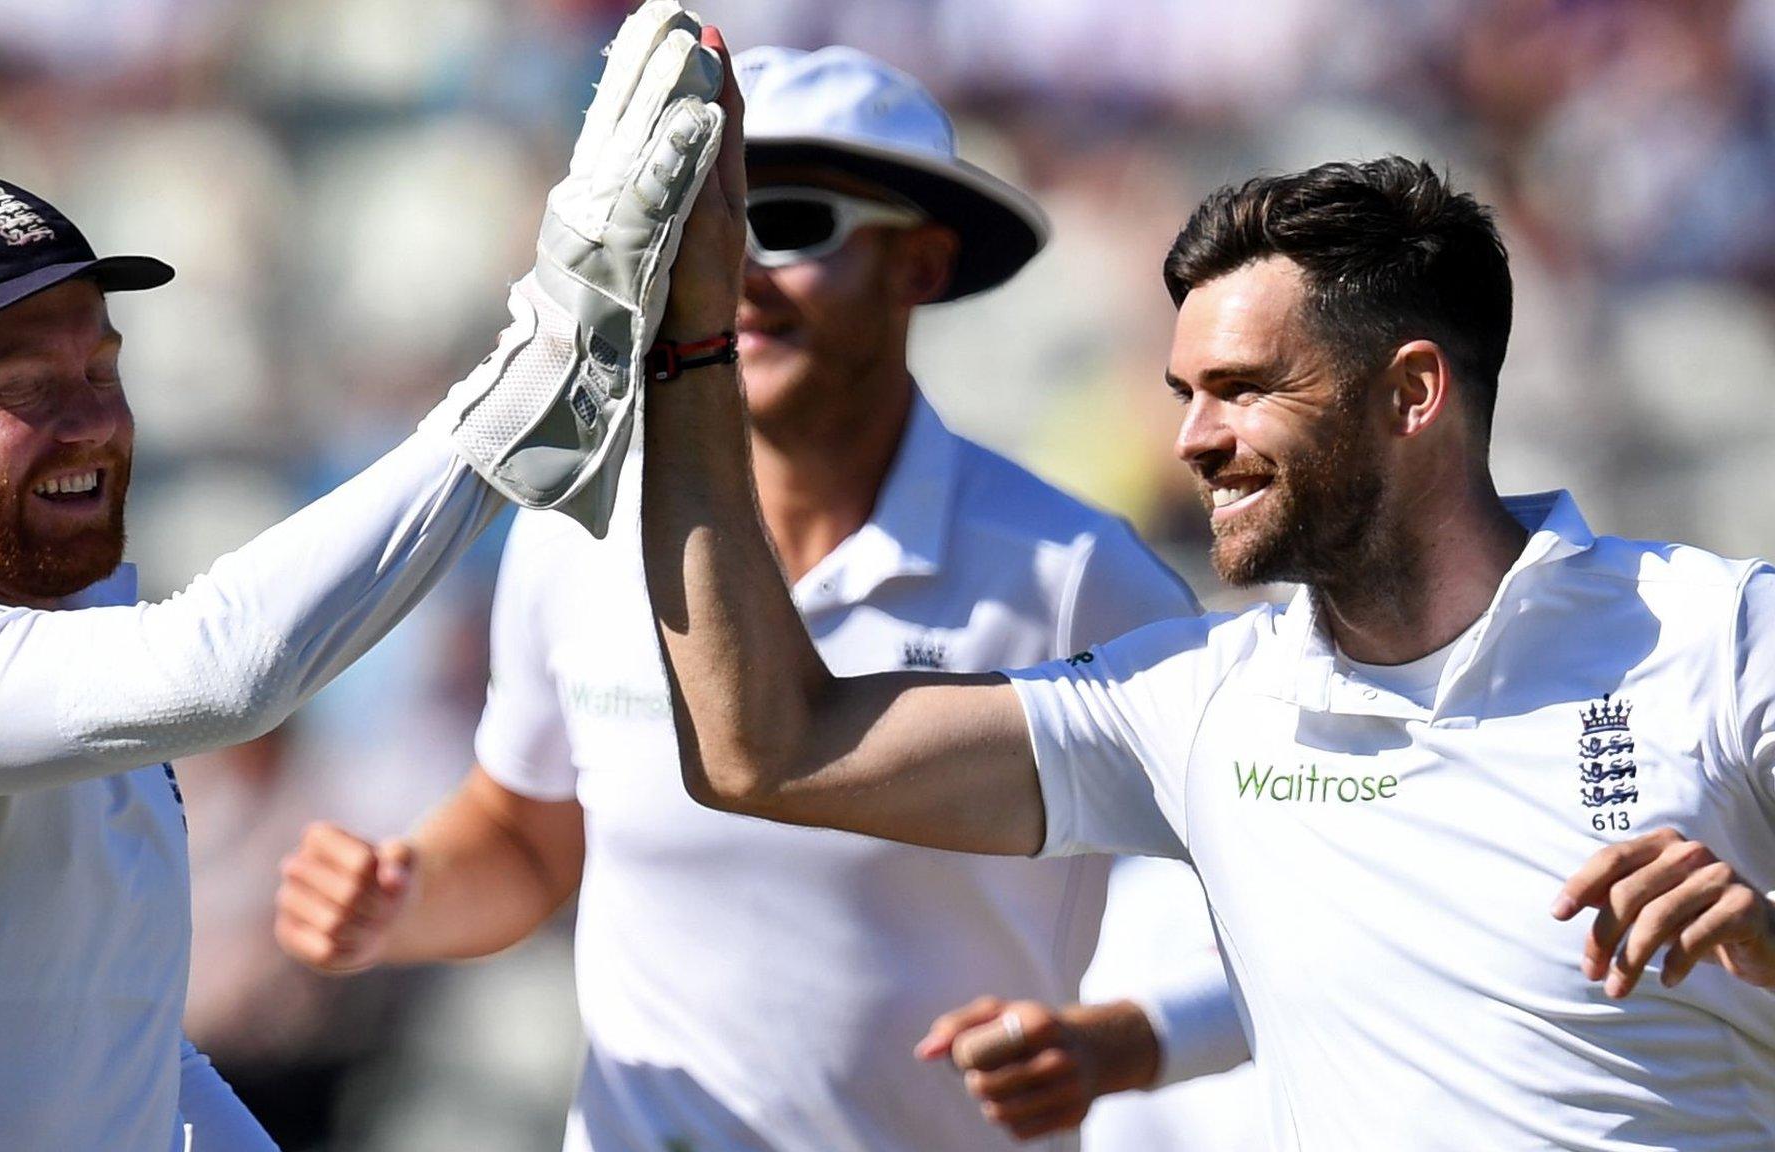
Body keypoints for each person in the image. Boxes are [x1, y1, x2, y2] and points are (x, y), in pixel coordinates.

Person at [639, 68, 1775, 1151]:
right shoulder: (1192, 706)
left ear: (1411, 393)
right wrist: (688, 350)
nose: (1190, 441)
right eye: (1185, 394)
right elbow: (765, 752)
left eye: (1243, 389)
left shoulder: (1717, 635)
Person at [0, 6, 725, 1148]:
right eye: (19, 385)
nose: (89, 425)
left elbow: (123, 1050)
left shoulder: (70, 655)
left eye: (99, 368)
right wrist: (541, 367)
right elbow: (222, 672)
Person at [272, 45, 1250, 1152]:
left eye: (781, 220)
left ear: (919, 266)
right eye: (693, 225)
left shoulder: (1076, 578)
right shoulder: (570, 536)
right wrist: (400, 899)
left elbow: (1277, 898)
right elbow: (530, 840)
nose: (724, 271)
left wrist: (1119, 1039)